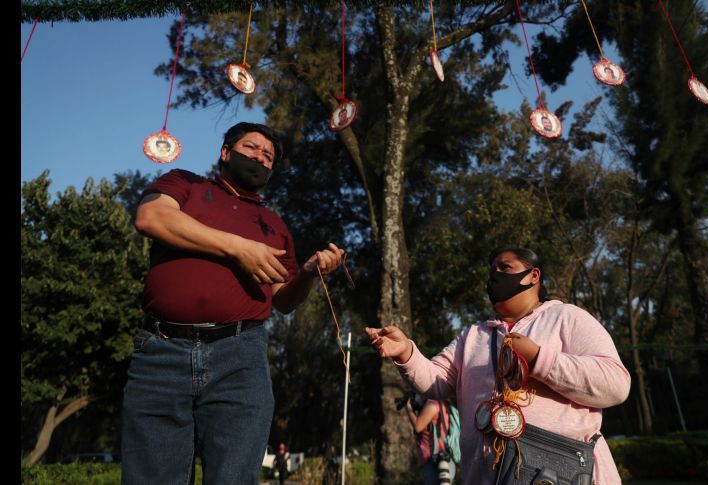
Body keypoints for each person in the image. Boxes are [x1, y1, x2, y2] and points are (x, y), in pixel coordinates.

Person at [121, 121, 346, 484]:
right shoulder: (185, 184)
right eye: (251, 147)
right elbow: (151, 217)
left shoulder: (275, 226)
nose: (259, 157)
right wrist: (238, 248)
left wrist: (306, 274)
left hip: (240, 359)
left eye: (268, 156)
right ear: (226, 152)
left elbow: (283, 301)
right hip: (161, 352)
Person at [366, 247, 630, 484]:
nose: (495, 275)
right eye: (492, 270)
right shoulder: (472, 336)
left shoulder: (567, 317)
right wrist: (406, 353)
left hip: (563, 475)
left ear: (534, 275)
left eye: (505, 268)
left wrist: (539, 359)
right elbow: (435, 383)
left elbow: (616, 384)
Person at [404, 393, 456, 485]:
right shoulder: (441, 401)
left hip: (434, 461)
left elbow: (418, 426)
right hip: (444, 460)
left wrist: (408, 408)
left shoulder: (433, 403)